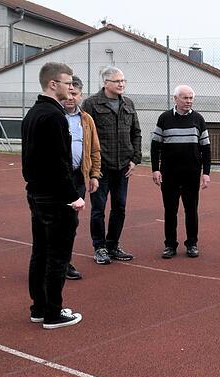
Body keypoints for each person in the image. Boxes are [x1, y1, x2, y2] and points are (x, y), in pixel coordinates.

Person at [21, 62, 84, 329]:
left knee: (40, 253)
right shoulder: (54, 116)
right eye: (68, 83)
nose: (71, 88)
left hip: (36, 194)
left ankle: (40, 307)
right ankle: (53, 313)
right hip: (55, 199)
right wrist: (73, 196)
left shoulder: (33, 113)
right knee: (57, 256)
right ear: (52, 84)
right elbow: (60, 163)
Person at [82, 66, 141, 265]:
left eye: (123, 81)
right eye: (117, 81)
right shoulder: (91, 104)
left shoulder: (129, 104)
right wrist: (91, 167)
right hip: (101, 168)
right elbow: (86, 135)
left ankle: (112, 245)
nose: (121, 84)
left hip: (123, 166)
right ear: (106, 83)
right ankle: (99, 247)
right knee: (98, 209)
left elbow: (136, 133)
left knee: (120, 207)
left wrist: (135, 159)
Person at [151, 85, 211, 259]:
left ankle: (192, 244)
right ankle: (170, 245)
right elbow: (155, 147)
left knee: (191, 210)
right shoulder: (164, 118)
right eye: (185, 98)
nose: (189, 101)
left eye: (191, 98)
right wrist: (155, 169)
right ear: (175, 99)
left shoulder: (199, 119)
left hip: (191, 174)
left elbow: (206, 149)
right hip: (169, 174)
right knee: (170, 211)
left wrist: (206, 172)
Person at [62, 76, 101, 280]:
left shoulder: (86, 119)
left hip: (77, 177)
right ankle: (50, 262)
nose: (70, 98)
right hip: (57, 178)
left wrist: (94, 175)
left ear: (80, 96)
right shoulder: (53, 116)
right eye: (67, 94)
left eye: (74, 94)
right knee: (53, 222)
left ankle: (65, 262)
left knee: (71, 223)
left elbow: (94, 149)